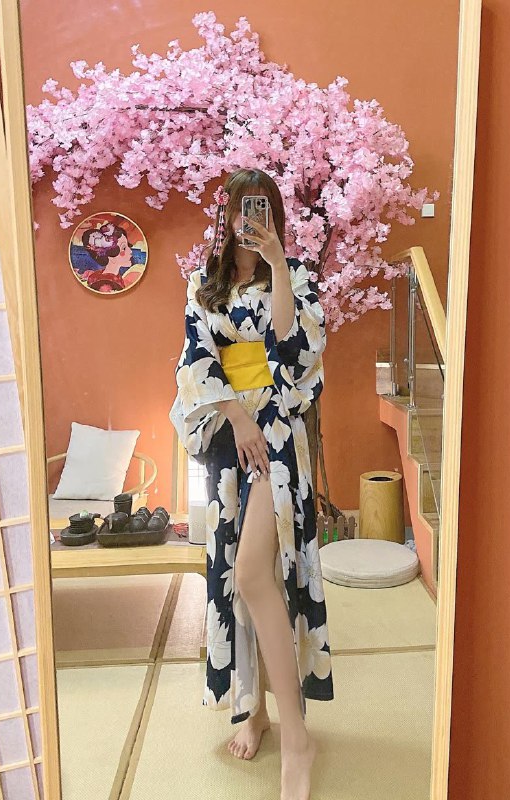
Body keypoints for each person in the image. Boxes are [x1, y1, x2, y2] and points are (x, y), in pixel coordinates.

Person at [169, 168, 333, 800]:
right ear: (227, 215)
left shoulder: (297, 276)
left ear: (274, 215)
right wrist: (237, 416)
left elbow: (294, 352)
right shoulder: (203, 285)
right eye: (241, 208)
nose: (249, 219)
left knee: (254, 573)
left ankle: (297, 737)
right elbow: (196, 361)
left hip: (279, 438)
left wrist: (280, 264)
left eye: (260, 209)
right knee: (239, 581)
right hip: (230, 437)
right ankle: (255, 709)